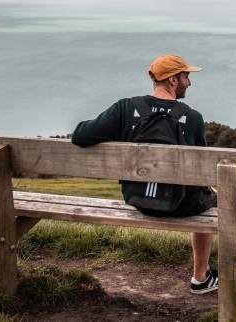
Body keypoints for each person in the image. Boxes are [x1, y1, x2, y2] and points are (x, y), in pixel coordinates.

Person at [71, 54, 219, 295]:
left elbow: (80, 136)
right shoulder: (192, 118)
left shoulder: (125, 108)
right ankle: (200, 277)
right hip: (181, 205)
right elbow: (202, 171)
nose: (189, 83)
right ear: (173, 80)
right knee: (214, 196)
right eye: (186, 76)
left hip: (139, 200)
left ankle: (202, 276)